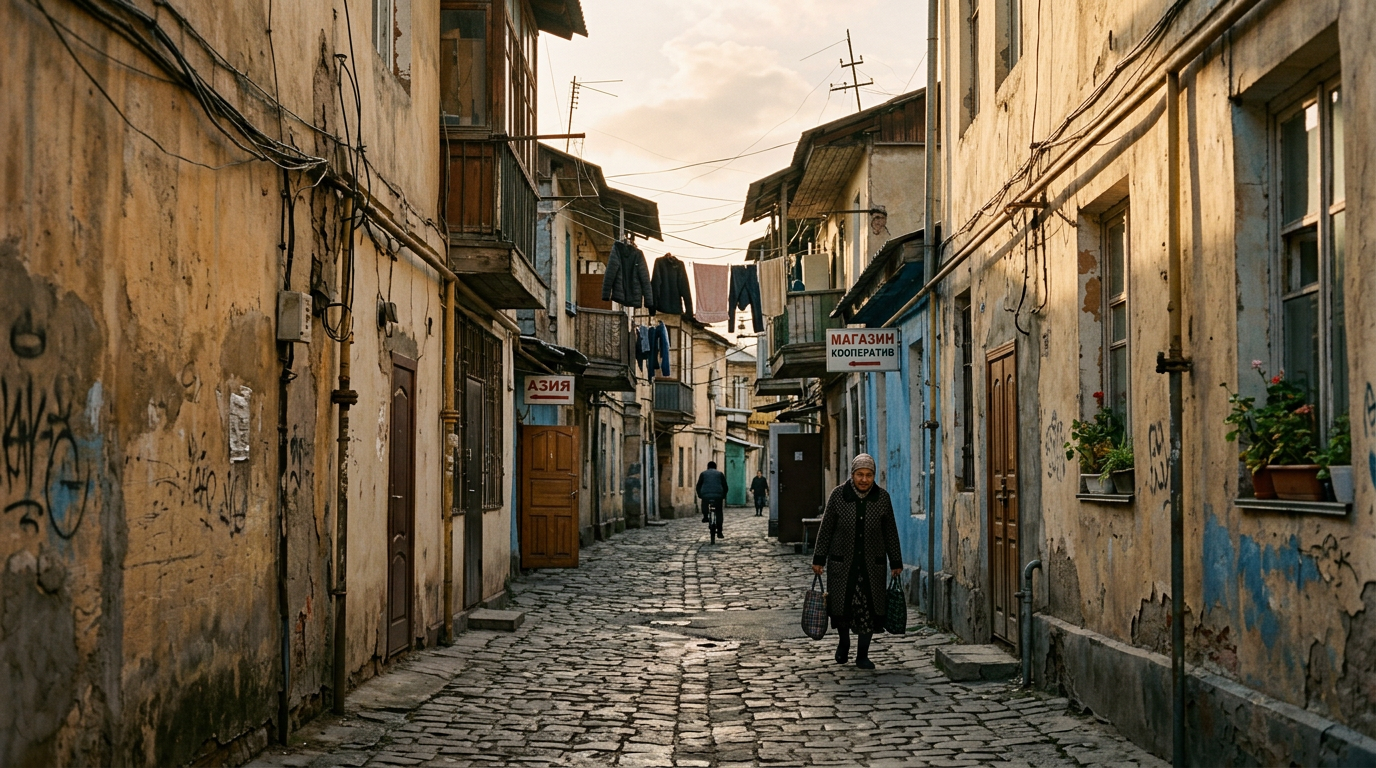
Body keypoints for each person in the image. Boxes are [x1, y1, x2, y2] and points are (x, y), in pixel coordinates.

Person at [811, 454, 903, 669]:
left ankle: (863, 654)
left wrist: (896, 561)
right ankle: (844, 642)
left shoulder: (882, 498)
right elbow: (826, 529)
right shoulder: (838, 496)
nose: (864, 479)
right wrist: (819, 559)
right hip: (842, 564)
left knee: (868, 609)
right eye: (860, 474)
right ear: (852, 475)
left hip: (873, 565)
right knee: (842, 606)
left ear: (874, 476)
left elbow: (890, 531)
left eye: (868, 475)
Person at [695, 460, 728, 543]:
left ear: (708, 467)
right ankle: (719, 531)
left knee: (704, 503)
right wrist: (723, 496)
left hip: (706, 495)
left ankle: (705, 516)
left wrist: (700, 495)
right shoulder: (720, 474)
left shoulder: (703, 474)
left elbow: (698, 486)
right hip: (718, 496)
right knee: (719, 512)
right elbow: (725, 486)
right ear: (715, 467)